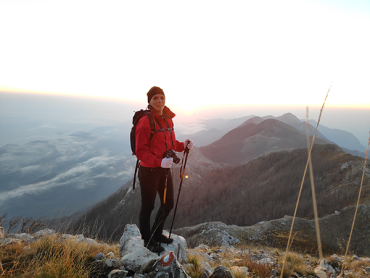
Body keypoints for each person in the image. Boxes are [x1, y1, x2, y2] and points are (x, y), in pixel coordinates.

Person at [135, 86, 194, 253]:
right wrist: (158, 162)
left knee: (168, 204)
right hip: (149, 171)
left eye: (162, 97)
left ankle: (156, 233)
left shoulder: (168, 119)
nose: (159, 101)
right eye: (155, 98)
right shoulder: (145, 121)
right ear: (150, 101)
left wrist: (184, 145)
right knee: (147, 207)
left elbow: (171, 142)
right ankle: (148, 240)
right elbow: (140, 151)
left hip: (164, 170)